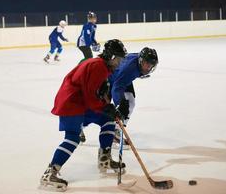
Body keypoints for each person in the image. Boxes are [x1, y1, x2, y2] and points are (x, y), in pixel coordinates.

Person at [40, 39, 128, 191]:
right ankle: (50, 173)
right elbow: (91, 96)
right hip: (72, 103)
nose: (120, 63)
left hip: (80, 102)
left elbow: (95, 93)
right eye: (118, 59)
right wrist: (107, 107)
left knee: (108, 120)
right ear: (110, 56)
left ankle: (104, 159)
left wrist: (109, 108)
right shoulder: (98, 66)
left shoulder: (102, 66)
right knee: (73, 138)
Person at [80, 47, 159, 150]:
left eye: (151, 65)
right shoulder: (129, 69)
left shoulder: (137, 61)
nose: (148, 68)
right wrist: (120, 102)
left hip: (121, 79)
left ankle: (116, 130)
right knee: (100, 109)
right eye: (146, 64)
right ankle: (79, 126)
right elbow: (117, 87)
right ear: (140, 61)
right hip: (109, 80)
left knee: (130, 102)